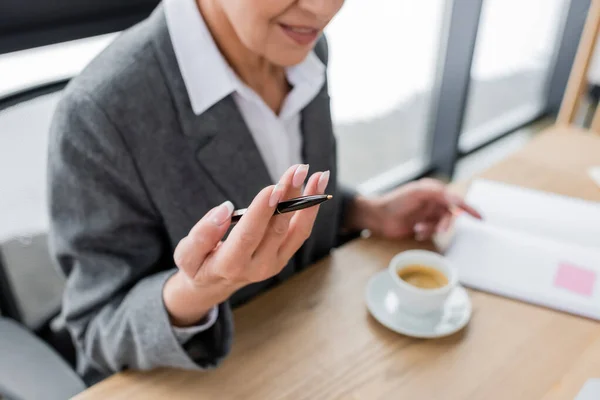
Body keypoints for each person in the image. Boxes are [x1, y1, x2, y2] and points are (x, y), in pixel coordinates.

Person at [47, 0, 481, 385]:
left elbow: (272, 186)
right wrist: (202, 289)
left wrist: (365, 212)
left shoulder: (301, 46)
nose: (326, 8)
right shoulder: (98, 113)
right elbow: (96, 328)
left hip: (310, 348)